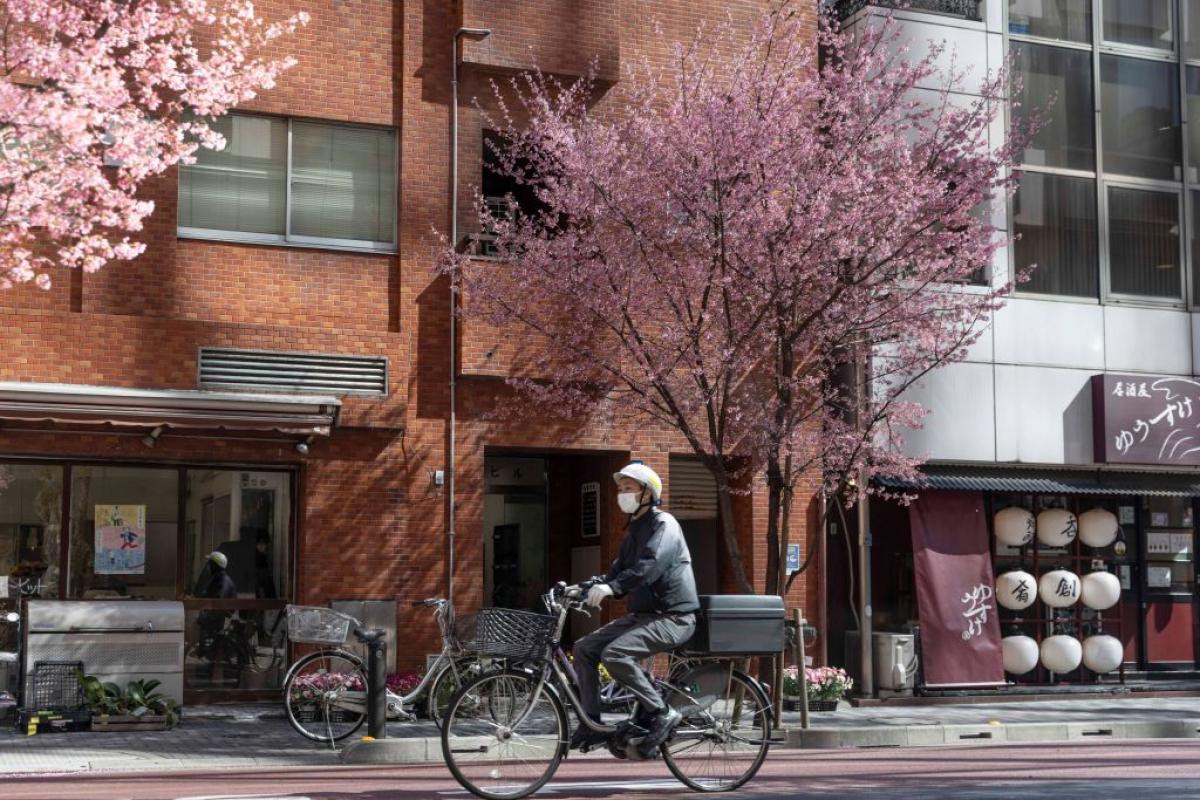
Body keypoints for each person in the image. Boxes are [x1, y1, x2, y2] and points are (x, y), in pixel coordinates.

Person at [570, 463, 700, 755]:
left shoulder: (665, 524)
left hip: (674, 617)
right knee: (584, 648)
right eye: (620, 489)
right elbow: (617, 572)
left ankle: (661, 712)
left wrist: (612, 588)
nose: (622, 494)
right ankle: (592, 723)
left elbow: (649, 566)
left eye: (628, 488)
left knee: (615, 654)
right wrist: (584, 588)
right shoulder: (633, 531)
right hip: (644, 616)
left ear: (647, 493)